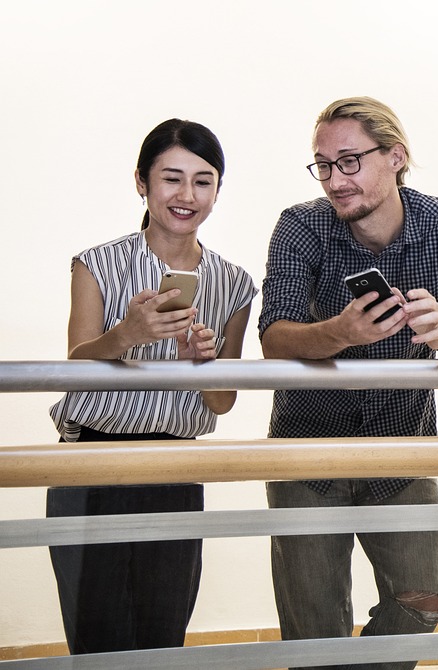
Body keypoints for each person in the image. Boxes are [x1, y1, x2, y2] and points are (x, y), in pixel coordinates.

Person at [259, 96, 438, 670]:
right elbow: (275, 337)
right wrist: (340, 332)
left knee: (421, 603)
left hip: (402, 446)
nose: (336, 179)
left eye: (350, 161)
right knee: (313, 634)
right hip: (308, 451)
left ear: (396, 157)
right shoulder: (300, 225)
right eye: (324, 164)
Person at [46, 119, 257, 654]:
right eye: (171, 178)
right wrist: (126, 336)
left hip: (175, 467)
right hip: (92, 462)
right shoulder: (96, 264)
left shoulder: (234, 283)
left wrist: (201, 365)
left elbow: (222, 401)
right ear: (142, 182)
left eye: (203, 181)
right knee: (97, 634)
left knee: (162, 634)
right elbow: (75, 365)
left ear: (217, 190)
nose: (187, 196)